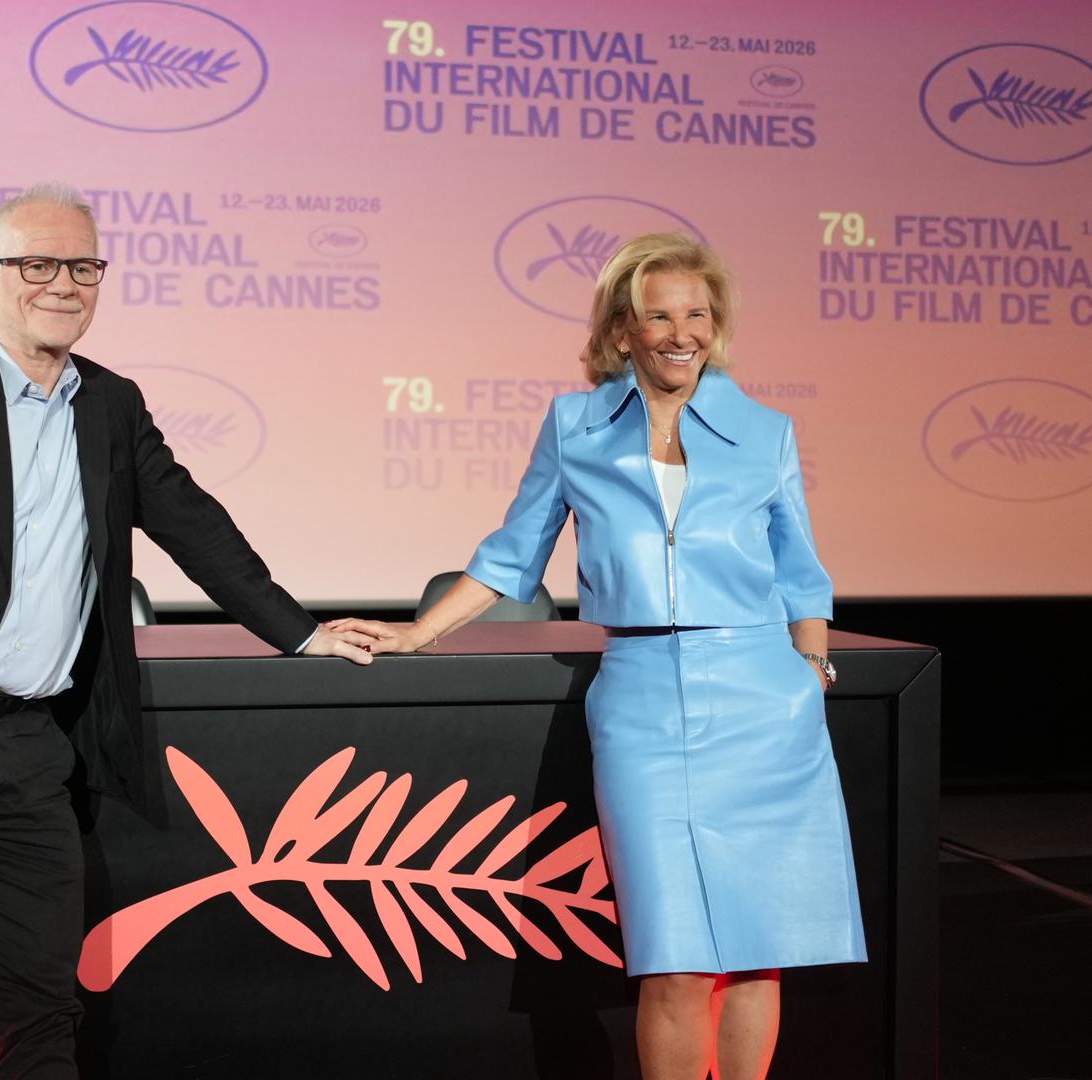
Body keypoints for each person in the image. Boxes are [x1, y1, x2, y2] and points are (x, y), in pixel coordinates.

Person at [0, 181, 372, 1079]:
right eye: (38, 263)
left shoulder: (111, 403)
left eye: (84, 266)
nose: (63, 283)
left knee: (41, 1012)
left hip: (28, 753)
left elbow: (191, 521)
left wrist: (298, 633)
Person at [328, 234, 864, 1080]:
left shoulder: (767, 432)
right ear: (623, 330)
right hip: (644, 704)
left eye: (697, 314)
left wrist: (811, 675)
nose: (682, 332)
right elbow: (514, 553)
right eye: (660, 315)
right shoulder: (575, 427)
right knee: (675, 956)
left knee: (761, 952)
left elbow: (803, 573)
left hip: (767, 706)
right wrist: (418, 631)